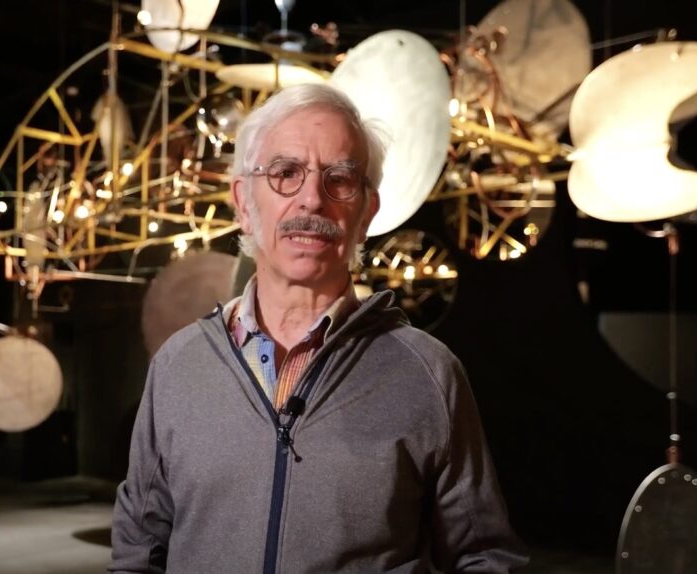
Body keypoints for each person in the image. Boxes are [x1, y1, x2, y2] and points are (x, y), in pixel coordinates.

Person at [110, 83, 528, 573]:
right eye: (286, 173)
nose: (311, 200)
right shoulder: (179, 366)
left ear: (366, 213)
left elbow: (485, 558)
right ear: (243, 202)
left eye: (340, 179)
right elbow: (139, 551)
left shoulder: (428, 373)